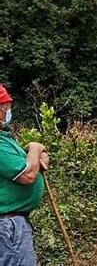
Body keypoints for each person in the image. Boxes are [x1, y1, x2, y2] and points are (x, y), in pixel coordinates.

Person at [0, 85, 48, 266]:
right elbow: (27, 175)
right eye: (4, 107)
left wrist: (36, 155)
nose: (7, 111)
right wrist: (35, 147)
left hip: (12, 222)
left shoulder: (4, 138)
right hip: (7, 226)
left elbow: (26, 164)